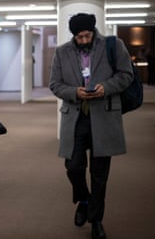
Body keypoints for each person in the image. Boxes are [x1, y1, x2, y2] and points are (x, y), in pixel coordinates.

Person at [49, 13, 133, 239]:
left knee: (99, 174)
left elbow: (127, 75)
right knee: (73, 166)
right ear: (73, 35)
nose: (84, 40)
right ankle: (83, 199)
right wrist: (73, 92)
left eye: (87, 36)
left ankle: (96, 220)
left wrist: (106, 87)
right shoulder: (62, 52)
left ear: (93, 31)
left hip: (104, 115)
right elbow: (55, 84)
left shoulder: (113, 45)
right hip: (75, 117)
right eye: (79, 37)